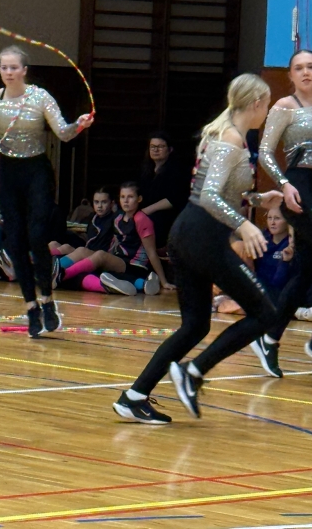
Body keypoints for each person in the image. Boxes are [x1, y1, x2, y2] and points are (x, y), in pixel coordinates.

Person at [112, 74, 282, 424]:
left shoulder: (227, 134)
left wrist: (256, 200)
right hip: (202, 236)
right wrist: (245, 224)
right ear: (255, 104)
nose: (267, 111)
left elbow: (222, 193)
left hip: (189, 234)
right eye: (267, 104)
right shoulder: (230, 139)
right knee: (265, 313)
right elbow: (209, 197)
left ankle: (134, 396)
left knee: (195, 325)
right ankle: (193, 372)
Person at [0, 45, 93, 338]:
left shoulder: (40, 96)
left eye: (14, 67)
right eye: (4, 67)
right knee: (15, 240)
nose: (8, 72)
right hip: (9, 174)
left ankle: (48, 300)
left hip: (36, 172)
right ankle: (31, 306)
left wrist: (79, 125)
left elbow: (63, 133)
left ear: (24, 70)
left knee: (37, 235)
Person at [251, 49, 312, 375]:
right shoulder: (285, 106)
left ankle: (269, 338)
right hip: (299, 189)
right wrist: (284, 184)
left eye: (311, 67)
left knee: (308, 271)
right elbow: (265, 153)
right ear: (291, 75)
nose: (306, 72)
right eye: (299, 68)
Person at [54, 183, 174, 295]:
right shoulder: (118, 217)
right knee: (82, 251)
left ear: (139, 199)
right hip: (120, 261)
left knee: (100, 255)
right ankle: (52, 270)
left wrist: (164, 282)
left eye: (130, 197)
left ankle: (62, 274)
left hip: (135, 266)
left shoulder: (141, 219)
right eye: (122, 197)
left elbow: (151, 252)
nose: (125, 201)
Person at [214, 208, 294, 314]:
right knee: (239, 246)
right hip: (254, 285)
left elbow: (279, 283)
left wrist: (284, 261)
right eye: (269, 218)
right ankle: (216, 296)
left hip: (274, 291)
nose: (272, 222)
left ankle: (226, 303)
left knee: (255, 306)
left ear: (287, 221)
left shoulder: (290, 245)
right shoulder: (261, 237)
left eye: (277, 218)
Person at [140, 132, 189, 251]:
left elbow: (175, 199)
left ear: (170, 149)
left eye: (160, 146)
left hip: (167, 217)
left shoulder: (177, 171)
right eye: (153, 146)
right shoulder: (147, 170)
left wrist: (146, 211)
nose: (156, 150)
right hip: (147, 214)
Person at [49, 186, 116, 260]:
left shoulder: (115, 220)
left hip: (102, 257)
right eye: (96, 202)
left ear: (112, 203)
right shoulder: (93, 218)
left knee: (81, 251)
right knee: (54, 244)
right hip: (87, 252)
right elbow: (79, 227)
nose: (99, 206)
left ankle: (60, 265)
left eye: (104, 202)